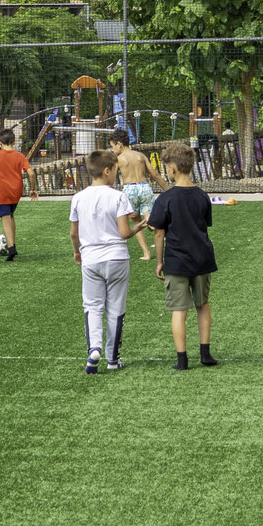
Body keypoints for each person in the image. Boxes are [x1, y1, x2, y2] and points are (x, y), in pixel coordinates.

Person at [70, 150, 144, 374]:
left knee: (92, 306)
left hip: (90, 258)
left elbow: (74, 233)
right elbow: (123, 233)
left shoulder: (78, 197)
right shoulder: (118, 196)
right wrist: (138, 227)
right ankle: (113, 359)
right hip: (117, 258)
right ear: (107, 170)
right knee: (115, 307)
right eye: (116, 171)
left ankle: (94, 349)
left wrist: (77, 252)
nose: (117, 176)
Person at [146, 143, 219, 371]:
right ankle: (205, 353)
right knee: (203, 304)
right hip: (202, 258)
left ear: (174, 168)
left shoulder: (165, 199)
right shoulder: (202, 195)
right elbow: (204, 224)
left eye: (167, 167)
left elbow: (158, 232)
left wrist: (159, 261)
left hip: (177, 262)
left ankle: (182, 359)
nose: (166, 170)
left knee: (179, 310)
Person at [110, 128, 170, 260]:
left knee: (136, 220)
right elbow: (154, 174)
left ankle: (147, 253)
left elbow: (111, 177)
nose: (113, 150)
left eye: (113, 147)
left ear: (119, 144)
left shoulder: (118, 158)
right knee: (149, 218)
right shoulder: (140, 156)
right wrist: (168, 190)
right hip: (145, 188)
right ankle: (151, 221)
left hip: (130, 190)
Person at [0, 128, 38, 261]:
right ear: (14, 142)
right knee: (11, 215)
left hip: (3, 191)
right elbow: (31, 173)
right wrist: (33, 188)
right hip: (17, 191)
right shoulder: (20, 156)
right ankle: (12, 243)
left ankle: (11, 248)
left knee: (5, 217)